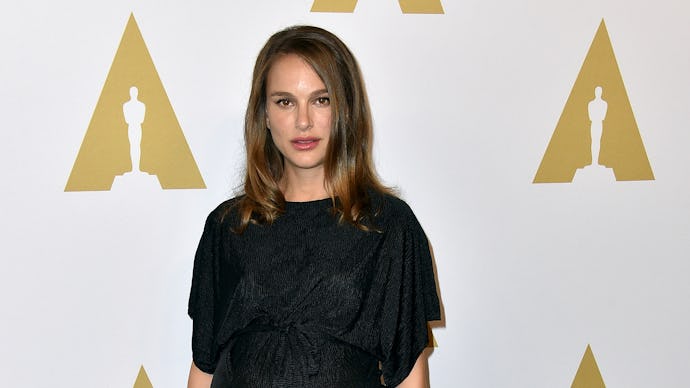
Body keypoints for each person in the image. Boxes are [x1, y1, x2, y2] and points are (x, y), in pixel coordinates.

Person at [187, 25, 441, 387]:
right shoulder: (228, 226)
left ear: (345, 110)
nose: (303, 121)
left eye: (321, 99)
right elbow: (203, 363)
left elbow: (408, 374)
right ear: (264, 115)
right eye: (285, 101)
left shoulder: (388, 226)